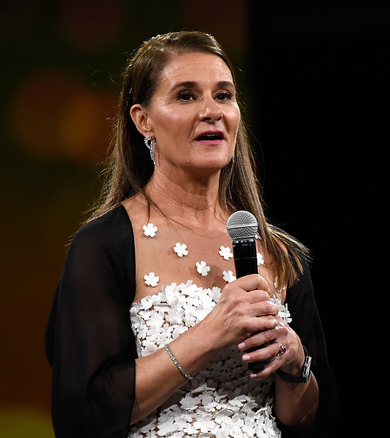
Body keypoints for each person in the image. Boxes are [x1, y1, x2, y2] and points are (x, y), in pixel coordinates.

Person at [45, 31, 336, 437]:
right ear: (142, 120)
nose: (211, 111)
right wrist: (210, 335)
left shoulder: (280, 253)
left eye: (224, 95)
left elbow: (304, 420)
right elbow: (84, 413)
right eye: (186, 95)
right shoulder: (104, 247)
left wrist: (294, 360)